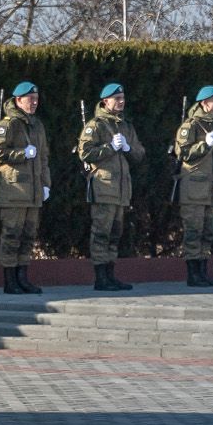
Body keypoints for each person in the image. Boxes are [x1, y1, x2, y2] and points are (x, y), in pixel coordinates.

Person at [77, 83, 143, 291]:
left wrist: (128, 147)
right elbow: (85, 152)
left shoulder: (126, 126)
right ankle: (100, 277)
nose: (121, 101)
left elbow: (140, 154)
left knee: (115, 233)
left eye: (122, 97)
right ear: (105, 102)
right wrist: (109, 148)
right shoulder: (95, 125)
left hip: (122, 189)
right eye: (117, 98)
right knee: (101, 232)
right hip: (104, 187)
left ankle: (110, 275)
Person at [0, 81, 49, 294]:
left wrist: (45, 184)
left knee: (29, 235)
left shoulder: (37, 125)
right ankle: (10, 280)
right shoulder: (8, 124)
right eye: (30, 99)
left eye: (36, 99)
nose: (34, 103)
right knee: (12, 235)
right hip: (14, 190)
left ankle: (22, 277)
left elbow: (44, 158)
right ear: (18, 100)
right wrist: (22, 154)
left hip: (33, 190)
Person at [173, 86, 213, 287]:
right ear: (204, 103)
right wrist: (203, 144)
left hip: (212, 189)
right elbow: (183, 154)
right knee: (193, 231)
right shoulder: (191, 125)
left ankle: (203, 272)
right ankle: (193, 274)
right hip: (194, 189)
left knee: (208, 232)